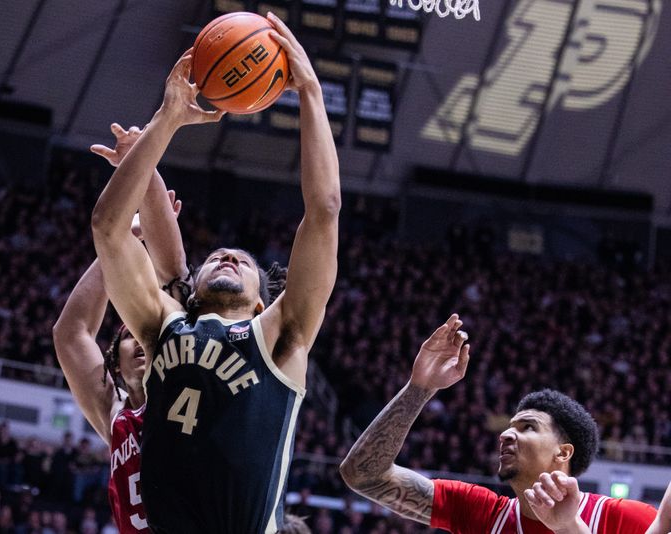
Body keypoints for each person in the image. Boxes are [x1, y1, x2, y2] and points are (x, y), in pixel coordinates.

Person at [90, 12, 340, 534]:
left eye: (242, 262)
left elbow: (324, 211)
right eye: (218, 257)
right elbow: (109, 228)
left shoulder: (281, 335)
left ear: (258, 302)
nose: (228, 257)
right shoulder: (161, 328)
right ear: (194, 290)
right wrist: (168, 119)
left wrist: (311, 93)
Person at [340, 314, 658, 534]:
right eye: (510, 425)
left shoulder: (623, 518)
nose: (506, 433)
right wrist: (418, 389)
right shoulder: (483, 514)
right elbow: (363, 475)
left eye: (527, 427)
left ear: (563, 452)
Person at [54, 124, 189, 532]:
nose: (141, 340)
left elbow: (173, 278)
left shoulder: (187, 382)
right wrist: (131, 236)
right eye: (129, 336)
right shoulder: (115, 417)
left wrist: (143, 168)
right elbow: (72, 331)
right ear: (114, 364)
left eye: (145, 333)